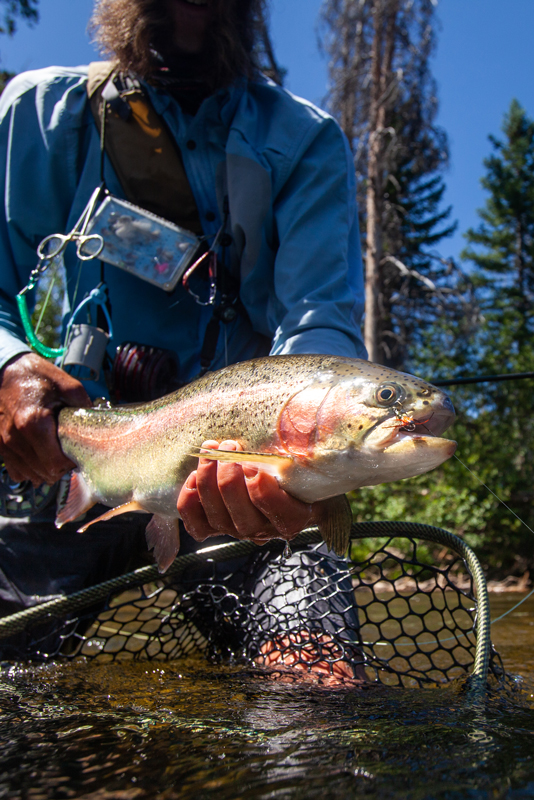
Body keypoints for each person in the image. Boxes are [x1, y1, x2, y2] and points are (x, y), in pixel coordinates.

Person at [0, 0, 367, 678]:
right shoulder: (41, 116)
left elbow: (320, 327)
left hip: (245, 482)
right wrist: (10, 366)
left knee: (313, 686)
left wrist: (294, 456)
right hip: (76, 464)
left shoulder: (303, 141)